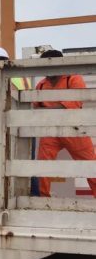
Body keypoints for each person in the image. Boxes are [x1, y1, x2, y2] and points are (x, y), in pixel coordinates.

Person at [33, 49, 96, 197]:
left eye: (50, 65)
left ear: (60, 64)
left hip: (74, 130)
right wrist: (55, 109)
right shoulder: (41, 85)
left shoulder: (73, 78)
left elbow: (74, 103)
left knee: (90, 165)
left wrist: (48, 111)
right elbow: (37, 109)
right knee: (43, 165)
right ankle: (43, 200)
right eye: (44, 66)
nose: (47, 69)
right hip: (51, 131)